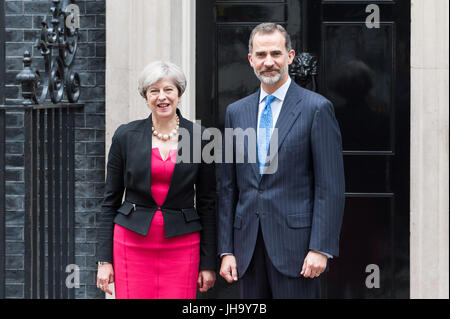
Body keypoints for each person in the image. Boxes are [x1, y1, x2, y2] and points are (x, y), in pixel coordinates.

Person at [218, 23, 345, 298]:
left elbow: (329, 185)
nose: (269, 62)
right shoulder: (235, 113)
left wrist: (320, 248)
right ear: (251, 60)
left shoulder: (316, 109)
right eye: (261, 55)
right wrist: (226, 249)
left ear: (290, 56)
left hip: (298, 251)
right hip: (247, 249)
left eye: (276, 53)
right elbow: (228, 187)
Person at [96, 61, 216, 299]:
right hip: (131, 242)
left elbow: (208, 202)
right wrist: (104, 260)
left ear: (179, 94)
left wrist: (208, 262)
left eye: (168, 89)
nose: (162, 97)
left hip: (183, 243)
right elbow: (109, 200)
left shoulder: (200, 138)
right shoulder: (125, 136)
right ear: (146, 96)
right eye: (154, 91)